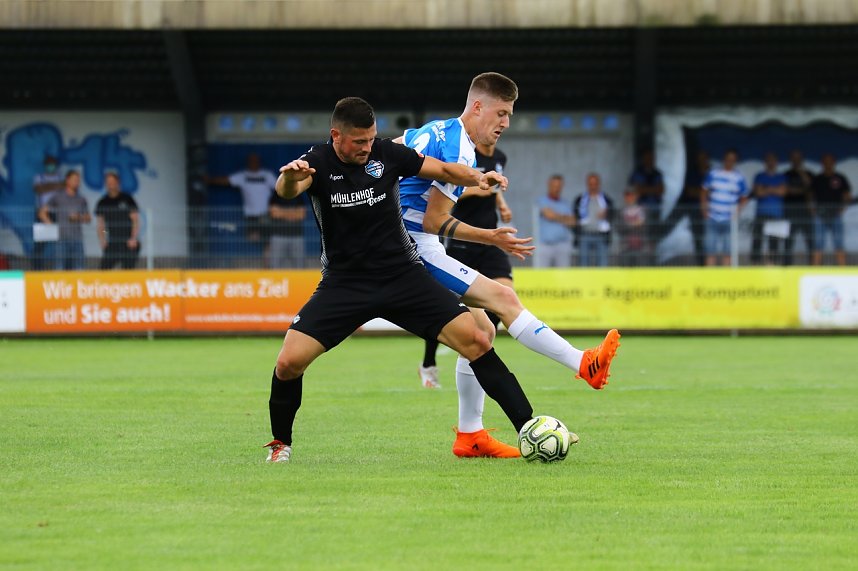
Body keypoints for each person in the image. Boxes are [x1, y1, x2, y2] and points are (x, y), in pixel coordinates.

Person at [265, 97, 545, 462]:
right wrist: (289, 177)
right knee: (288, 363)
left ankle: (530, 428)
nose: (367, 148)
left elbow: (443, 171)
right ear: (336, 135)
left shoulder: (386, 155)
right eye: (358, 142)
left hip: (403, 275)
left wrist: (478, 177)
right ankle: (280, 445)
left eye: (371, 139)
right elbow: (288, 191)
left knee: (477, 339)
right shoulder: (315, 162)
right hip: (344, 283)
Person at [398, 72, 620, 453]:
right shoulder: (460, 150)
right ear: (478, 106)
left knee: (481, 332)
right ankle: (584, 364)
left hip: (405, 240)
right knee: (503, 298)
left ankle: (471, 436)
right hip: (412, 247)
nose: (506, 123)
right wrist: (491, 236)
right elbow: (433, 221)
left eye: (510, 115)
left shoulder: (436, 130)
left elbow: (393, 152)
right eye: (501, 113)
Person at [419, 142, 512, 389]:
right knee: (449, 310)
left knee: (505, 296)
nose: (499, 126)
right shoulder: (465, 155)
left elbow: (494, 188)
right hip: (464, 240)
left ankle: (476, 346)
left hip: (491, 239)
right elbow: (449, 190)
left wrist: (500, 203)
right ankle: (429, 362)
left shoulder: (500, 156)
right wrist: (475, 189)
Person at [207, 153, 277, 244]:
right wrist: (210, 180)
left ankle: (266, 257)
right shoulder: (243, 175)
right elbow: (226, 180)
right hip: (250, 214)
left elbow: (279, 188)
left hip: (265, 213)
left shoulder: (267, 175)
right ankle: (254, 256)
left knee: (267, 239)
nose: (253, 163)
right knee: (252, 239)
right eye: (251, 161)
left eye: (255, 161)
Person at [701, 149, 750, 267]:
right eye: (728, 159)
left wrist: (737, 211)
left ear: (735, 161)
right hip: (712, 217)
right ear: (724, 159)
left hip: (729, 219)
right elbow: (703, 191)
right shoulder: (713, 174)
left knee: (728, 252)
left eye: (733, 160)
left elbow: (744, 196)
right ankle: (709, 280)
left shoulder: (739, 178)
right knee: (710, 251)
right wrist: (704, 209)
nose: (730, 162)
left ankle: (725, 280)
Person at [661, 150, 709, 266]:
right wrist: (704, 193)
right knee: (665, 227)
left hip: (700, 208)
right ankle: (652, 244)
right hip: (686, 204)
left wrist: (703, 194)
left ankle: (702, 264)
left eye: (704, 159)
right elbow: (690, 191)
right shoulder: (692, 173)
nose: (702, 161)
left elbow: (709, 192)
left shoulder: (709, 174)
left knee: (700, 238)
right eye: (700, 158)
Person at [38, 170, 91, 270]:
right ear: (67, 180)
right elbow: (42, 212)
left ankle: (78, 286)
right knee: (60, 268)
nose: (77, 182)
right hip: (61, 238)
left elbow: (88, 218)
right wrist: (50, 225)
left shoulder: (81, 199)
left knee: (79, 268)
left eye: (78, 180)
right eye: (74, 180)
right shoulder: (58, 197)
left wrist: (78, 217)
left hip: (77, 239)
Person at [810, 153, 851, 266]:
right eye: (825, 161)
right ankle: (815, 269)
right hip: (820, 214)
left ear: (834, 162)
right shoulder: (817, 179)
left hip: (835, 214)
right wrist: (812, 209)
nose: (828, 163)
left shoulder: (840, 178)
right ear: (822, 163)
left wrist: (842, 209)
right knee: (818, 243)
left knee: (839, 242)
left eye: (830, 161)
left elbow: (847, 196)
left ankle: (842, 270)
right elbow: (810, 195)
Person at [95, 172, 141, 270]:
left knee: (127, 271)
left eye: (112, 182)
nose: (110, 185)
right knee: (103, 270)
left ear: (118, 182)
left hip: (128, 242)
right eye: (108, 182)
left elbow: (135, 221)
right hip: (113, 242)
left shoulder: (127, 199)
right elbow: (102, 225)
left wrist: (133, 238)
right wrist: (103, 239)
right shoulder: (103, 202)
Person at [750, 152, 787, 265]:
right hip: (761, 213)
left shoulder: (781, 177)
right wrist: (774, 189)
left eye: (773, 160)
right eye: (768, 160)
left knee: (774, 241)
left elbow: (783, 192)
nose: (771, 163)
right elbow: (758, 193)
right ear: (765, 162)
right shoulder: (759, 176)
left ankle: (772, 264)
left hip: (776, 214)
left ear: (776, 162)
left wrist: (766, 188)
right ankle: (755, 264)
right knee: (757, 240)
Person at [572, 173, 614, 267]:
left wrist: (607, 214)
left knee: (602, 263)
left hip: (601, 235)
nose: (593, 186)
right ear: (587, 184)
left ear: (599, 184)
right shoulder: (580, 199)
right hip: (584, 235)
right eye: (590, 184)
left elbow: (613, 214)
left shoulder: (606, 200)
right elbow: (575, 216)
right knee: (583, 264)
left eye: (595, 184)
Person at [782, 150, 815, 266]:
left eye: (798, 158)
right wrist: (802, 190)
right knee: (788, 241)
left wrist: (801, 173)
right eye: (793, 158)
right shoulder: (786, 174)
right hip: (789, 211)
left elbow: (811, 187)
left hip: (805, 212)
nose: (796, 160)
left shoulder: (808, 173)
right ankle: (787, 266)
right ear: (790, 159)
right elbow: (785, 190)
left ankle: (813, 265)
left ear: (801, 159)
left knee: (810, 240)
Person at [31, 154, 64, 270]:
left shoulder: (60, 177)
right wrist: (55, 186)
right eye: (48, 164)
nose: (51, 166)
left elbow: (64, 187)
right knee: (40, 242)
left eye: (52, 163)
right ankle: (37, 269)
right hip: (43, 213)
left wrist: (47, 186)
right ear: (45, 165)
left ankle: (59, 268)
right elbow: (38, 189)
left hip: (57, 213)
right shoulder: (39, 176)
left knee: (60, 242)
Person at [534, 174, 575, 268]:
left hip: (562, 245)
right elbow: (549, 215)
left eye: (559, 186)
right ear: (549, 185)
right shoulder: (541, 201)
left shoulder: (565, 203)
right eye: (554, 186)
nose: (556, 189)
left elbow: (573, 221)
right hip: (545, 245)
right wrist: (564, 218)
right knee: (542, 275)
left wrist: (555, 216)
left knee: (563, 277)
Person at [627, 149, 664, 246]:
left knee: (654, 235)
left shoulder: (657, 173)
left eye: (651, 158)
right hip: (640, 209)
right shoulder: (637, 173)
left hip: (655, 209)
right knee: (640, 235)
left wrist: (645, 189)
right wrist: (653, 189)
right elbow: (636, 189)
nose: (649, 160)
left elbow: (660, 190)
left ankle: (652, 256)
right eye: (647, 158)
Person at [267, 190, 307, 268]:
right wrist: (293, 213)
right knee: (275, 267)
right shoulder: (276, 195)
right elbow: (274, 214)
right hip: (278, 236)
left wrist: (282, 212)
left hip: (296, 236)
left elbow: (301, 215)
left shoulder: (297, 195)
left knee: (300, 267)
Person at [617, 188, 648, 267]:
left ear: (636, 196)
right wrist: (635, 223)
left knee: (639, 269)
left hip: (639, 245)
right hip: (625, 245)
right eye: (627, 195)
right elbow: (620, 226)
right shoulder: (621, 211)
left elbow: (642, 223)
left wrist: (629, 224)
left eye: (631, 195)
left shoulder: (641, 209)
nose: (629, 198)